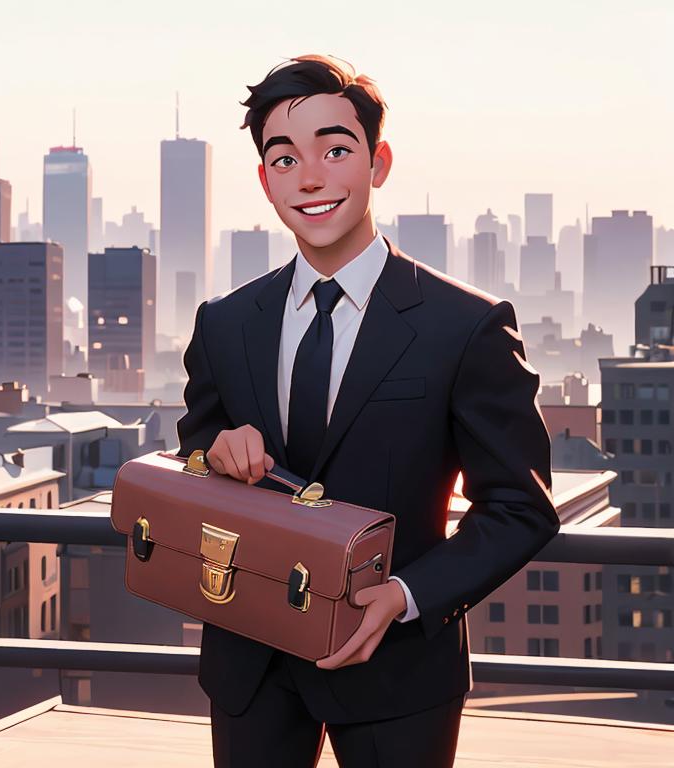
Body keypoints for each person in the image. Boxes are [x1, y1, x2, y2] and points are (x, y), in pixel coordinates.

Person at [175, 55, 559, 768]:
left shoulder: (465, 326)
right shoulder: (224, 323)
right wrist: (218, 450)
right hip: (249, 664)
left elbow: (519, 506)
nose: (311, 177)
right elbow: (195, 455)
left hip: (399, 667)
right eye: (284, 159)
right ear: (265, 181)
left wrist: (407, 596)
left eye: (336, 150)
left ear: (378, 163)